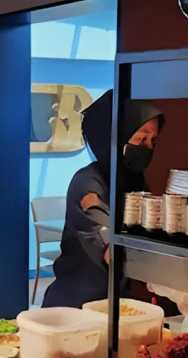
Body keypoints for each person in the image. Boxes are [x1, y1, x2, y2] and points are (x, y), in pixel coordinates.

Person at [42, 90, 164, 308]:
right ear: (115, 135)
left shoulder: (135, 183)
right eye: (141, 138)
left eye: (153, 140)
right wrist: (170, 279)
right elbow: (111, 252)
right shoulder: (88, 184)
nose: (148, 148)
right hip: (74, 306)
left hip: (113, 303)